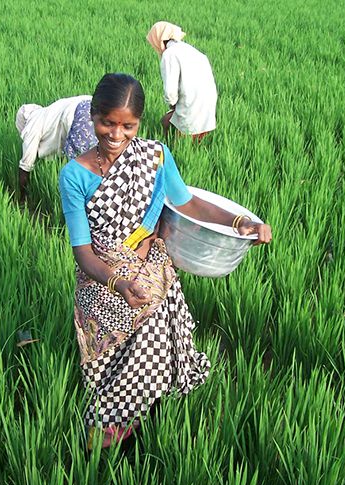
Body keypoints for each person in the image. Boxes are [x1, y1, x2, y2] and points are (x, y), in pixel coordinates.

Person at [58, 73, 272, 449]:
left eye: (128, 125)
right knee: (110, 364)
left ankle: (122, 424)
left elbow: (186, 202)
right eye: (107, 122)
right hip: (103, 282)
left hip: (149, 272)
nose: (116, 134)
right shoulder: (74, 175)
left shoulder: (154, 156)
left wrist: (241, 223)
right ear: (93, 115)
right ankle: (110, 427)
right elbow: (83, 252)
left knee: (151, 352)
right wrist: (117, 283)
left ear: (139, 123)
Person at [15, 95, 97, 201]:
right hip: (94, 104)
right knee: (106, 158)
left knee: (85, 171)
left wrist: (22, 196)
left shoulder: (32, 125)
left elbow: (25, 165)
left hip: (79, 116)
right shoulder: (49, 112)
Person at [146, 21, 218, 140]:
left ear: (158, 39)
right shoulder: (191, 50)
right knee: (168, 123)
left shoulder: (169, 54)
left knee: (182, 138)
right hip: (209, 103)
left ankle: (170, 150)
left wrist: (172, 104)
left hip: (191, 104)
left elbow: (170, 92)